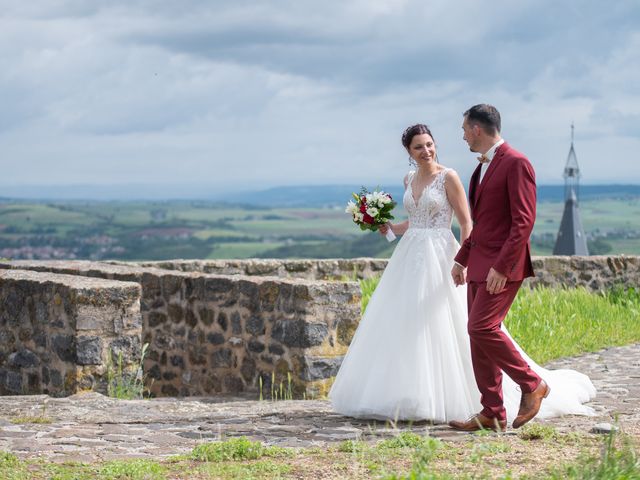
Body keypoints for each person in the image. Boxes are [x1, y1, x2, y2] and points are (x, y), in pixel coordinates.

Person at [328, 122, 596, 425]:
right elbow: (415, 222)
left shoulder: (449, 176)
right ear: (409, 152)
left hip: (443, 254)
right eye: (419, 146)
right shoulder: (408, 178)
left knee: (462, 325)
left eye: (430, 144)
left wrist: (463, 259)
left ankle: (508, 393)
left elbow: (467, 223)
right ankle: (413, 395)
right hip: (410, 255)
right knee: (405, 321)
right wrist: (389, 229)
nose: (426, 150)